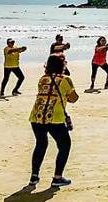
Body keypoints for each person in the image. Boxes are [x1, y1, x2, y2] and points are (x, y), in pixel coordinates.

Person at [28, 54, 78, 187]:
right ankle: (57, 177)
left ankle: (34, 176)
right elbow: (73, 98)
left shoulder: (42, 78)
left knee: (41, 144)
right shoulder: (65, 79)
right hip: (54, 117)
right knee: (64, 145)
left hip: (37, 115)